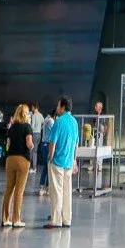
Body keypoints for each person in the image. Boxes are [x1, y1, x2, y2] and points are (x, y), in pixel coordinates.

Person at [45, 96, 79, 228]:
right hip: (69, 162)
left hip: (57, 162)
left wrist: (50, 157)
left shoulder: (58, 122)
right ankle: (67, 219)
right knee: (67, 191)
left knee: (56, 192)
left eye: (58, 105)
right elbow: (76, 143)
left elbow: (52, 142)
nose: (57, 108)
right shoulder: (75, 122)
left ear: (63, 107)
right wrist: (74, 159)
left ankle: (56, 220)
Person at [1, 103, 35, 227]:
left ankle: (5, 219)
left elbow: (8, 145)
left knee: (9, 189)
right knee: (19, 191)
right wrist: (33, 147)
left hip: (10, 160)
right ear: (26, 114)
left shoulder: (11, 128)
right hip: (22, 160)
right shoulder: (27, 127)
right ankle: (16, 219)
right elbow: (29, 144)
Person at [37, 106, 55, 194]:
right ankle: (44, 187)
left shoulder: (45, 120)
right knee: (47, 167)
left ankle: (45, 187)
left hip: (43, 144)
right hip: (48, 145)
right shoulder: (51, 121)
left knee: (47, 166)